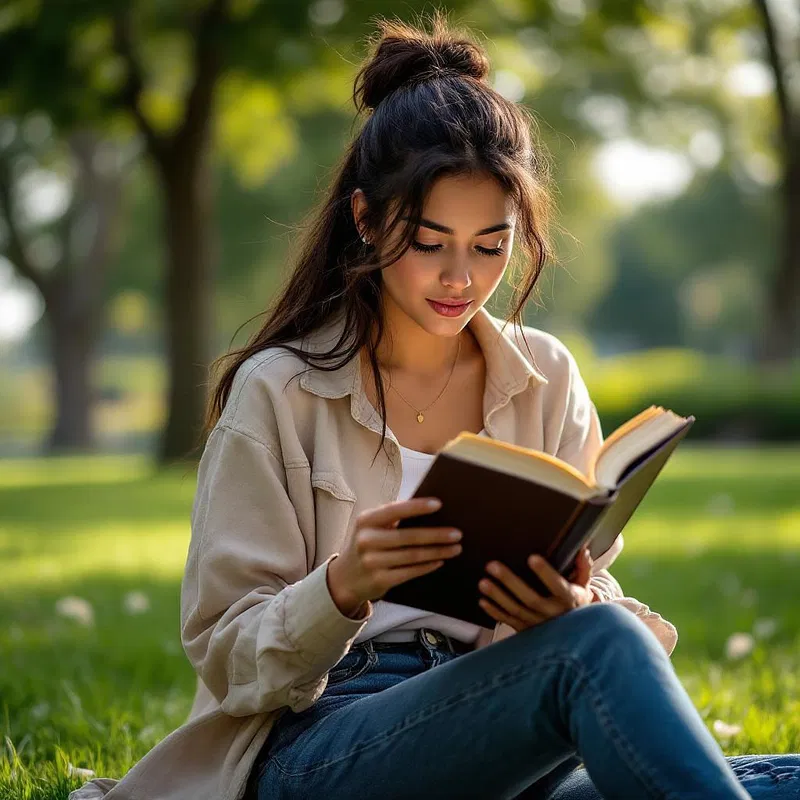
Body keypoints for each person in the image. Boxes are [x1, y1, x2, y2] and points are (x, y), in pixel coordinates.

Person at [69, 12, 800, 800]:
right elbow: (226, 653)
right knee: (598, 649)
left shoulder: (546, 375)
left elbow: (597, 609)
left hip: (508, 732)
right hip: (324, 741)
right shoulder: (279, 390)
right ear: (366, 218)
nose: (461, 277)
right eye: (429, 241)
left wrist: (572, 603)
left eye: (492, 246)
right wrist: (343, 584)